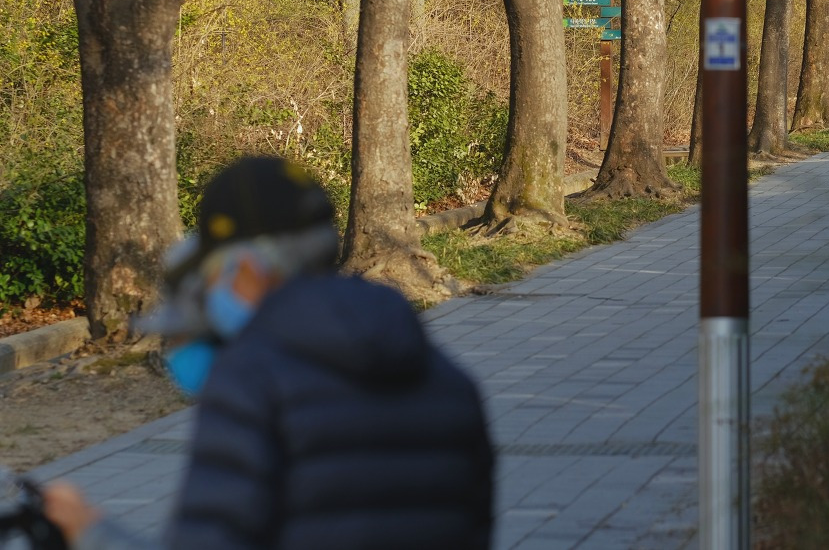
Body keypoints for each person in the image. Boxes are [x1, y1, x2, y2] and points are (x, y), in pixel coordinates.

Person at [43, 155, 494, 549]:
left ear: (250, 266)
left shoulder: (252, 383)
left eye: (215, 271)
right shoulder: (448, 381)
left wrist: (88, 531)